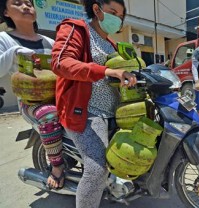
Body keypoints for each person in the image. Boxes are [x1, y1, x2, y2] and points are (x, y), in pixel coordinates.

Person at [50, 0, 136, 207]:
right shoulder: (76, 29)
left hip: (114, 111)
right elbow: (61, 62)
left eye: (121, 15)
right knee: (97, 168)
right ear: (96, 9)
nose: (118, 18)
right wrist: (106, 71)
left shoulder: (112, 44)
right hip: (87, 112)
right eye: (113, 12)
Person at [0, 0, 65, 189]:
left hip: (57, 95)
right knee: (48, 113)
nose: (26, 6)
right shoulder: (4, 39)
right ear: (6, 12)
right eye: (18, 3)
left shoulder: (49, 42)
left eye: (29, 3)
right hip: (31, 102)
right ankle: (57, 166)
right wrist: (14, 52)